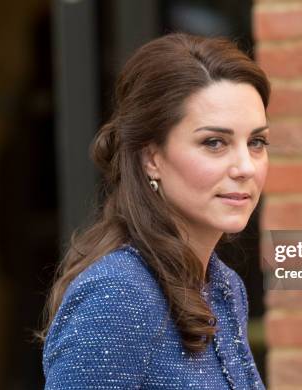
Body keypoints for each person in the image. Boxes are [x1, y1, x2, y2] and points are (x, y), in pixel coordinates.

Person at [39, 33, 270, 389]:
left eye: (256, 142)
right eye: (214, 143)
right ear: (152, 158)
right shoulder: (116, 295)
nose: (246, 167)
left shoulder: (224, 287)